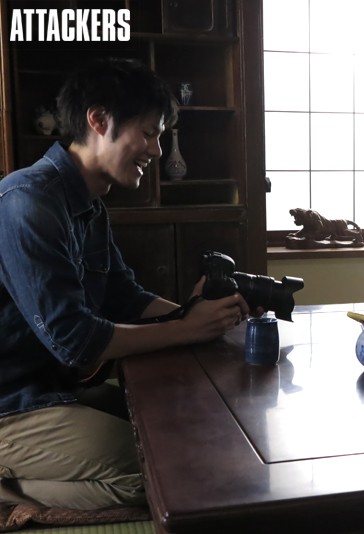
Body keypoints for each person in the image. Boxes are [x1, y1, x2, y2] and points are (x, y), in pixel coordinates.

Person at [0, 58, 250, 510]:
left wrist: (196, 315)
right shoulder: (28, 201)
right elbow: (76, 341)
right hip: (9, 406)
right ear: (99, 120)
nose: (156, 149)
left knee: (189, 438)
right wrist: (188, 329)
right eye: (149, 132)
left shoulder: (88, 205)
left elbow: (124, 296)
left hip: (51, 393)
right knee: (163, 477)